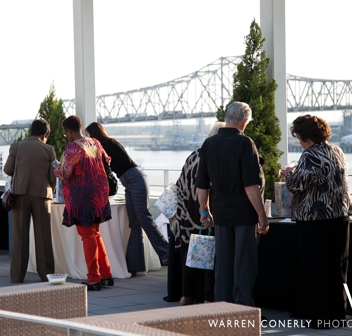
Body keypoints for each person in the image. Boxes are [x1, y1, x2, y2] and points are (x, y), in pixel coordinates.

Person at [195, 102, 269, 306]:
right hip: (244, 214)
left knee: (223, 265)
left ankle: (223, 306)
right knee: (244, 264)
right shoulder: (245, 144)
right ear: (245, 121)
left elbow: (202, 184)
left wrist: (204, 210)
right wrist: (262, 216)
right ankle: (243, 308)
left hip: (220, 214)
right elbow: (250, 186)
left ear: (227, 117)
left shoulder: (209, 143)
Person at [281, 115, 351, 329]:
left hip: (314, 220)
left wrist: (287, 174)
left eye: (299, 138)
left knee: (315, 269)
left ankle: (319, 319)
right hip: (339, 216)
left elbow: (297, 185)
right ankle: (337, 315)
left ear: (308, 138)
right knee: (335, 269)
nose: (299, 142)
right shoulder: (336, 150)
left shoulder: (309, 155)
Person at [85, 122, 169, 276]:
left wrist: (108, 163)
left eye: (88, 135)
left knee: (144, 217)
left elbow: (125, 161)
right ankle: (134, 265)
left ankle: (167, 253)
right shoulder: (101, 148)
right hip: (128, 182)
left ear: (94, 134)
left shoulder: (110, 143)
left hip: (135, 178)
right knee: (135, 223)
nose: (87, 139)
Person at [55, 116, 113, 291]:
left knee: (87, 235)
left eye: (66, 132)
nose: (66, 136)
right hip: (99, 194)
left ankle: (93, 278)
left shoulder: (73, 147)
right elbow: (107, 161)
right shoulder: (94, 142)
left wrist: (55, 168)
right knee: (95, 234)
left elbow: (65, 173)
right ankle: (106, 274)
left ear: (69, 131)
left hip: (82, 197)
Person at [172, 122, 225, 306]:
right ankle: (209, 298)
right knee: (210, 257)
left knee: (191, 257)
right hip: (206, 216)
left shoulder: (193, 154)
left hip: (187, 217)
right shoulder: (216, 156)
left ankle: (186, 296)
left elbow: (179, 186)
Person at [4, 119, 56, 283]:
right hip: (42, 196)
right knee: (43, 237)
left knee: (19, 236)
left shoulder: (16, 147)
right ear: (44, 134)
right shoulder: (49, 150)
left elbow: (8, 170)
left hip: (20, 195)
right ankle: (46, 274)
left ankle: (17, 276)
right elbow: (52, 177)